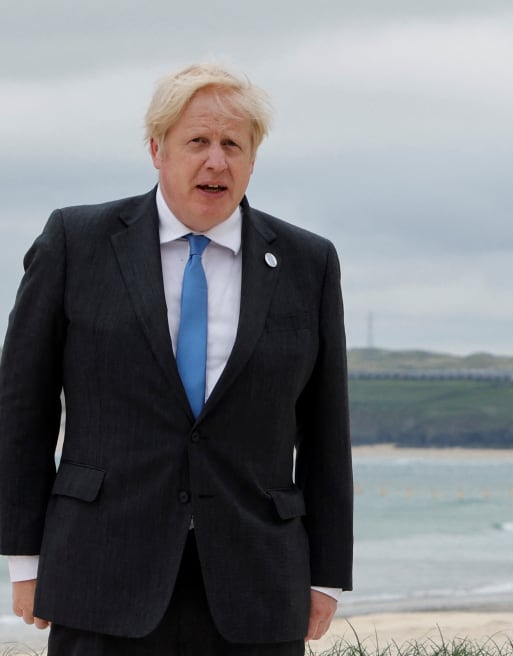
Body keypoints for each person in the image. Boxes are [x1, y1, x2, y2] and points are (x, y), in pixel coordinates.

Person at [0, 62, 353, 655]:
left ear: (252, 158)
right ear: (157, 149)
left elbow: (325, 429)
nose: (216, 161)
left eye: (232, 144)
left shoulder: (307, 263)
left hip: (257, 583)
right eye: (198, 142)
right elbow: (21, 408)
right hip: (100, 573)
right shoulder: (75, 243)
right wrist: (23, 559)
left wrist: (325, 573)